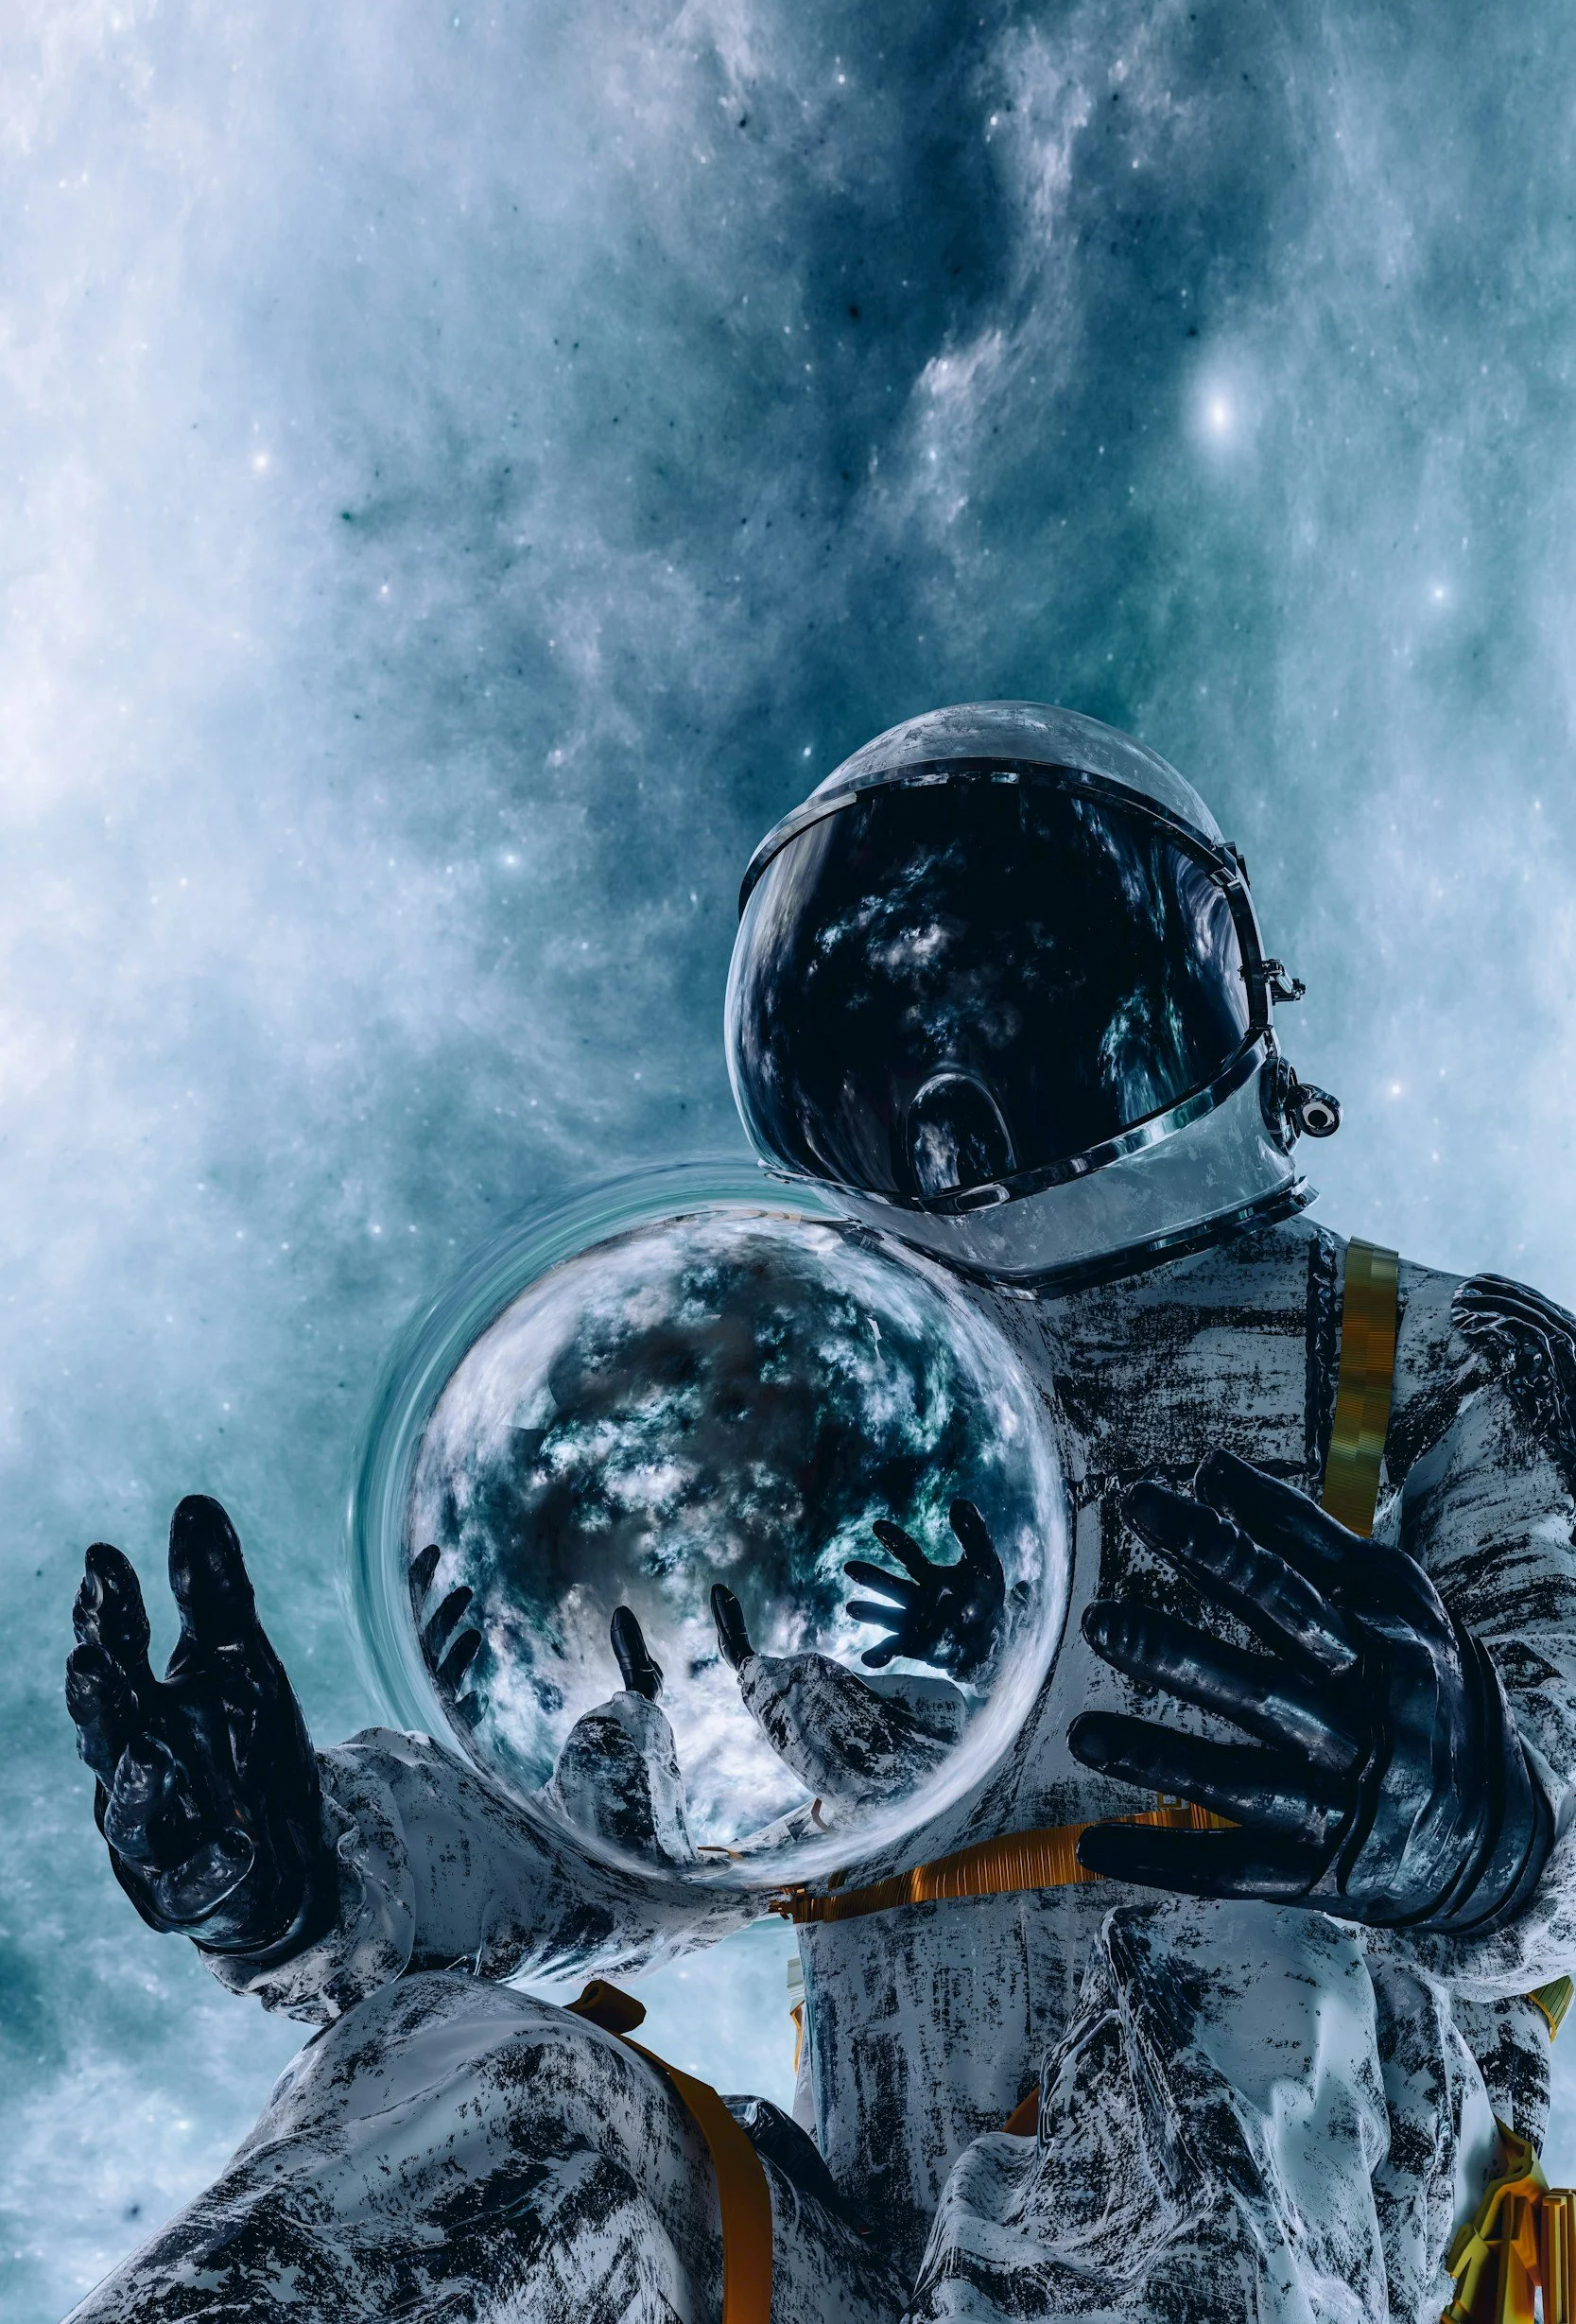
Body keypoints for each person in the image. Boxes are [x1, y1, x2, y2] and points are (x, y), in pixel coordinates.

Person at [63, 702, 1576, 2323]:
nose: (946, 1092)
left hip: (1298, 2219)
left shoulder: (1425, 1363)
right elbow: (620, 1819)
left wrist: (1482, 1828)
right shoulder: (858, 1444)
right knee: (467, 2076)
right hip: (888, 2265)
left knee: (1231, 1977)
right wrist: (309, 1869)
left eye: (995, 991)